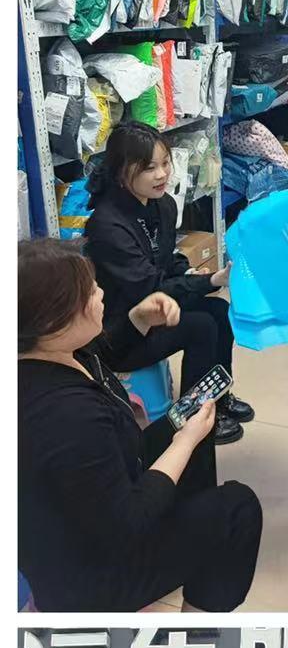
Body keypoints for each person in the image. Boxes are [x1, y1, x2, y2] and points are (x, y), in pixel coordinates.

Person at [17, 238, 262, 611]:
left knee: (189, 424)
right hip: (92, 579)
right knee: (237, 508)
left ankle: (192, 537)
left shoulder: (46, 352)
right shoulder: (67, 415)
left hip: (94, 506)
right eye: (90, 291)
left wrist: (139, 319)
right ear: (52, 319)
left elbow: (105, 352)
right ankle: (196, 630)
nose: (101, 294)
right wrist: (184, 443)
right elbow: (127, 521)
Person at [83, 120, 252, 445]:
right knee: (201, 326)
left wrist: (189, 274)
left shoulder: (162, 204)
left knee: (220, 311)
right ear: (121, 172)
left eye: (165, 163)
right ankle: (190, 418)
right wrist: (210, 281)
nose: (162, 174)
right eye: (149, 168)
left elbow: (166, 258)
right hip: (121, 332)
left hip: (153, 309)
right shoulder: (106, 226)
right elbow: (149, 288)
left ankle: (217, 398)